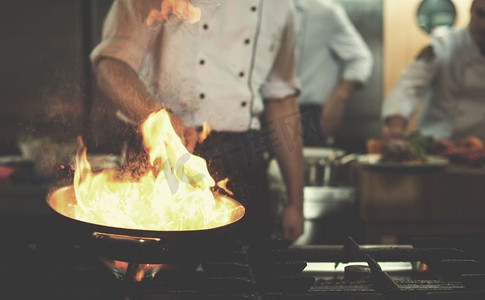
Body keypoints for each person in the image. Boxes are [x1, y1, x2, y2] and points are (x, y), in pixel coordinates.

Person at [90, 0, 304, 241]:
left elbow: (283, 101)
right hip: (159, 156)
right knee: (154, 271)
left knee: (242, 272)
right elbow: (112, 67)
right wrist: (158, 118)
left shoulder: (278, 6)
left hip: (242, 163)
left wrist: (296, 202)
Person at [382, 0, 485, 141]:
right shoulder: (444, 44)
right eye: (481, 14)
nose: (483, 25)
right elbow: (409, 84)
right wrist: (396, 127)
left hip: (480, 152)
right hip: (436, 143)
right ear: (471, 10)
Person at [294, 0, 373, 146]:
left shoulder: (323, 11)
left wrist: (338, 97)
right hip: (260, 112)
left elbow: (361, 58)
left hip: (309, 113)